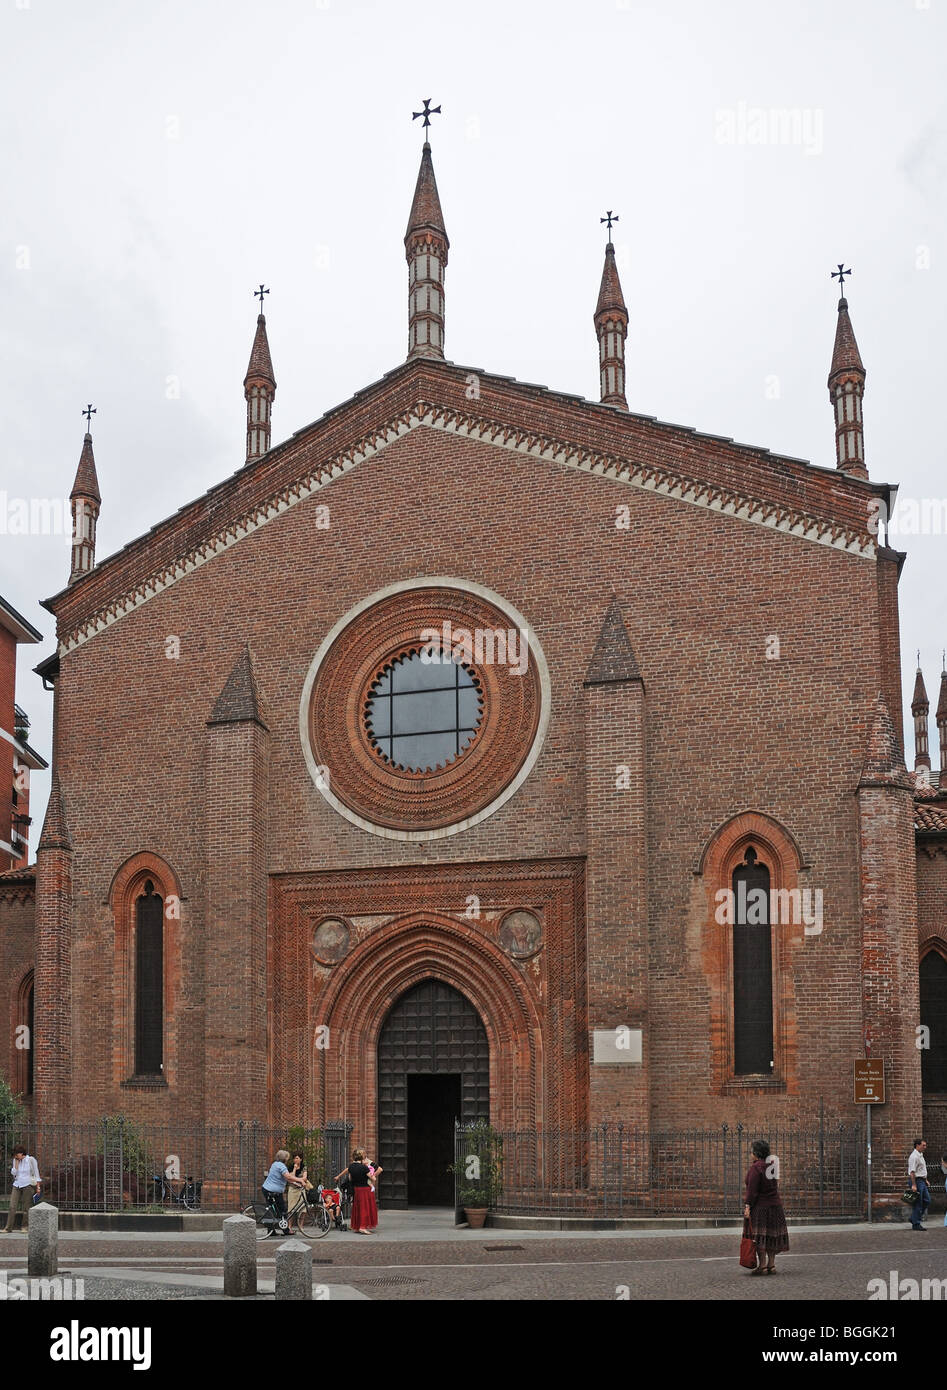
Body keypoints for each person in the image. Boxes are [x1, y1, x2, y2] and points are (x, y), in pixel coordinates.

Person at [743, 1138, 789, 1275]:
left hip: (761, 1208)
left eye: (751, 1151)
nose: (750, 1153)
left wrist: (747, 1206)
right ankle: (772, 1265)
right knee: (772, 1236)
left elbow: (752, 1191)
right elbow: (776, 1185)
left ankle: (762, 1266)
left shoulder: (755, 1168)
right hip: (776, 1206)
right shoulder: (772, 1167)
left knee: (760, 1237)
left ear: (756, 1153)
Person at [337, 1147, 381, 1234]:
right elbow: (373, 1179)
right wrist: (372, 1175)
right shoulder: (364, 1168)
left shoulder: (351, 1166)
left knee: (357, 1208)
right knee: (365, 1209)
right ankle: (362, 1227)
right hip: (365, 1189)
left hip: (356, 1189)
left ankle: (357, 1226)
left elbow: (350, 1178)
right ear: (361, 1156)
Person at [262, 1148, 305, 1237]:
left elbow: (286, 1178)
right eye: (287, 1158)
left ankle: (273, 1231)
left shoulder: (275, 1164)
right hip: (273, 1191)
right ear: (284, 1158)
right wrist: (300, 1180)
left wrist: (297, 1183)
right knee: (282, 1210)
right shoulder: (281, 1166)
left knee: (275, 1210)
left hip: (268, 1189)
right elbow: (288, 1177)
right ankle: (285, 1230)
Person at [4, 1144, 41, 1233]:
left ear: (21, 1153)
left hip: (28, 1185)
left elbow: (36, 1174)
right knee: (12, 1206)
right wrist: (16, 1164)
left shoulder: (31, 1160)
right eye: (15, 1155)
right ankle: (8, 1228)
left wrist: (38, 1187)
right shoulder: (15, 1160)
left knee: (26, 1207)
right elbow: (13, 1173)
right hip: (16, 1185)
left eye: (17, 1155)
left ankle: (25, 1227)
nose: (16, 1156)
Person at [908, 1138, 930, 1230]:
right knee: (918, 1203)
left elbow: (921, 1170)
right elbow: (912, 1172)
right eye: (923, 1145)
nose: (925, 1147)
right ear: (917, 1145)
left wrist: (926, 1180)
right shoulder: (914, 1156)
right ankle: (916, 1224)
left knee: (927, 1200)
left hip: (922, 1181)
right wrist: (914, 1185)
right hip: (917, 1181)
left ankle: (914, 1218)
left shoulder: (920, 1155)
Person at [286, 1151, 309, 1229]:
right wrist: (295, 1169)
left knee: (303, 1208)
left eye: (297, 1158)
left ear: (301, 1159)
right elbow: (290, 1178)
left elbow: (305, 1178)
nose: (295, 1160)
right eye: (294, 1158)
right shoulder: (290, 1167)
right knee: (291, 1209)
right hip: (292, 1189)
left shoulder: (304, 1167)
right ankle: (289, 1226)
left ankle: (301, 1225)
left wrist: (296, 1180)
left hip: (301, 1189)